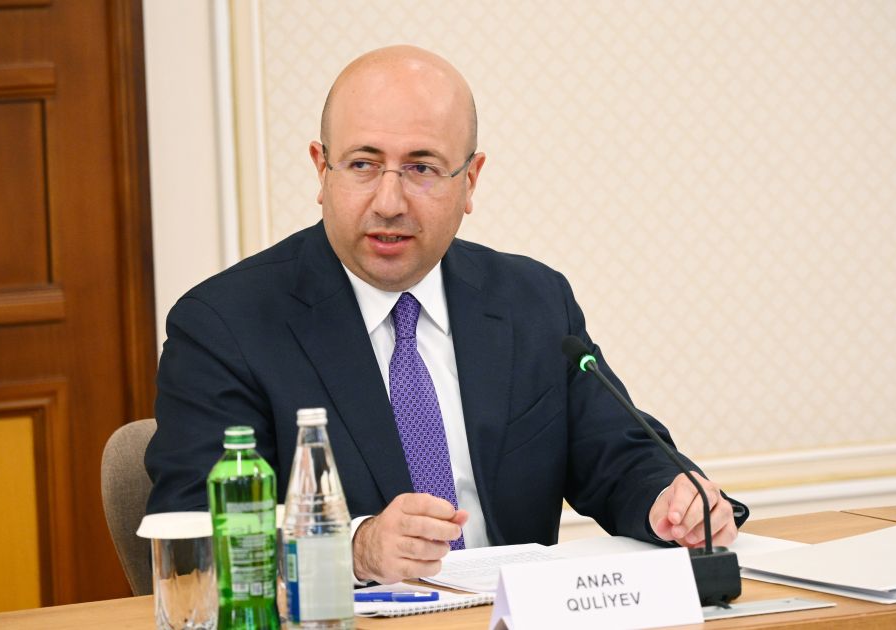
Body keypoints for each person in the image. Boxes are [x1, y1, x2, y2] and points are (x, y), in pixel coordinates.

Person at [146, 45, 748, 584]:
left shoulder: (532, 301)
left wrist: (669, 500)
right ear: (321, 170)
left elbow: (617, 454)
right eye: (362, 164)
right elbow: (194, 529)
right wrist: (353, 549)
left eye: (422, 168)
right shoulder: (225, 326)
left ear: (471, 181)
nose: (389, 201)